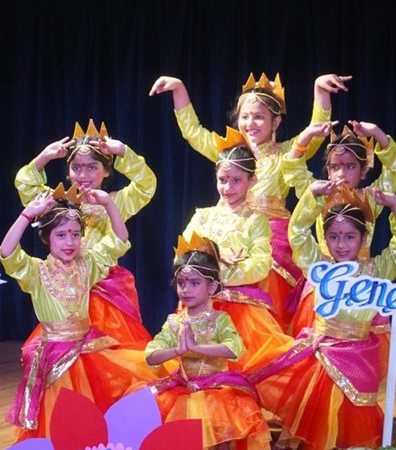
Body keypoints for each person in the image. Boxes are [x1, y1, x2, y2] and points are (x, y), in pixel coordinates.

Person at [149, 72, 351, 328]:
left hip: (272, 234)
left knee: (266, 280)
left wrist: (320, 92)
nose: (250, 123)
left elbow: (315, 134)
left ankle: (262, 338)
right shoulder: (228, 153)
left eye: (259, 117)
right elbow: (194, 133)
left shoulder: (285, 152)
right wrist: (179, 89)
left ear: (275, 121)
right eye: (245, 116)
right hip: (229, 228)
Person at [250, 183, 396, 450]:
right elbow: (297, 234)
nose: (341, 244)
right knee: (319, 398)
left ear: (364, 238)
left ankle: (344, 442)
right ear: (325, 239)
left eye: (350, 237)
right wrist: (311, 197)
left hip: (360, 353)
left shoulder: (376, 270)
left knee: (354, 410)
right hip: (323, 349)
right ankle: (320, 440)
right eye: (334, 237)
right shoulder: (319, 267)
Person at [0, 184, 155, 442]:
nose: (69, 242)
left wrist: (109, 204)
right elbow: (7, 252)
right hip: (55, 354)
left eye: (75, 234)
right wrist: (27, 214)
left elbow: (119, 239)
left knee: (92, 416)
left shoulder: (88, 264)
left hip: (86, 350)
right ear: (47, 238)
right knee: (60, 421)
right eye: (61, 235)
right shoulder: (36, 271)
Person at [127, 233, 270, 450]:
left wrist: (196, 347)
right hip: (184, 385)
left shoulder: (220, 320)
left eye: (194, 283)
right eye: (181, 283)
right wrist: (177, 351)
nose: (186, 290)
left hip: (217, 387)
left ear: (212, 287)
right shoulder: (174, 322)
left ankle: (221, 443)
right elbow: (151, 356)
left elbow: (234, 348)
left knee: (225, 403)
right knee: (149, 401)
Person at [14, 120, 156, 349]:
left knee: (106, 356)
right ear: (68, 171)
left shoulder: (115, 201)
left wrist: (123, 152)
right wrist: (44, 157)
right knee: (68, 348)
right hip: (65, 287)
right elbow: (25, 184)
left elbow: (146, 185)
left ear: (106, 170)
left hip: (103, 290)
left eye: (92, 167)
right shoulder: (57, 201)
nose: (83, 174)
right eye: (76, 167)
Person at [181, 128, 293, 374]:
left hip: (241, 310)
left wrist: (219, 275)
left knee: (241, 373)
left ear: (252, 181)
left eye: (236, 180)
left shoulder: (256, 221)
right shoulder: (203, 217)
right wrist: (212, 261)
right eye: (223, 180)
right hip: (200, 306)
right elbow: (182, 256)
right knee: (192, 373)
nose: (228, 187)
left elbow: (261, 264)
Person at [283, 121, 396, 336]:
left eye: (350, 167)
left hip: (363, 282)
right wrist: (307, 135)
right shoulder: (318, 193)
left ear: (363, 170)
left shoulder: (372, 198)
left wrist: (377, 133)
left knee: (363, 339)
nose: (341, 173)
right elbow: (293, 168)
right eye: (335, 167)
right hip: (325, 280)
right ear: (328, 171)